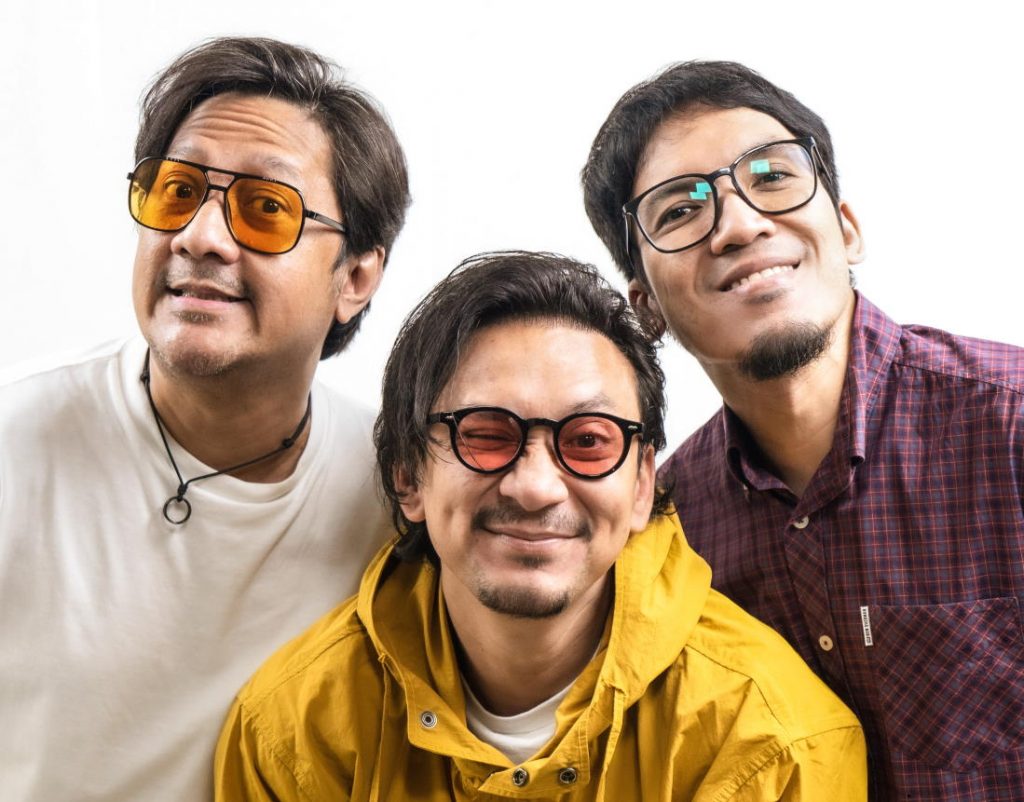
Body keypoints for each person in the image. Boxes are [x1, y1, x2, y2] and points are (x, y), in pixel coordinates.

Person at [214, 251, 866, 801]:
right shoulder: (293, 732)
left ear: (642, 486)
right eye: (485, 434)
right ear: (408, 476)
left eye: (587, 441)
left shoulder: (774, 742)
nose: (534, 487)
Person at [581, 60, 1024, 799]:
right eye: (681, 210)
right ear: (645, 306)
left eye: (773, 176)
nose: (740, 225)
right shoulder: (664, 537)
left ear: (846, 229)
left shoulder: (1010, 428)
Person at [0, 37, 409, 802]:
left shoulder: (403, 497)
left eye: (266, 208)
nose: (199, 236)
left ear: (355, 277)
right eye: (177, 192)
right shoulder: (14, 443)